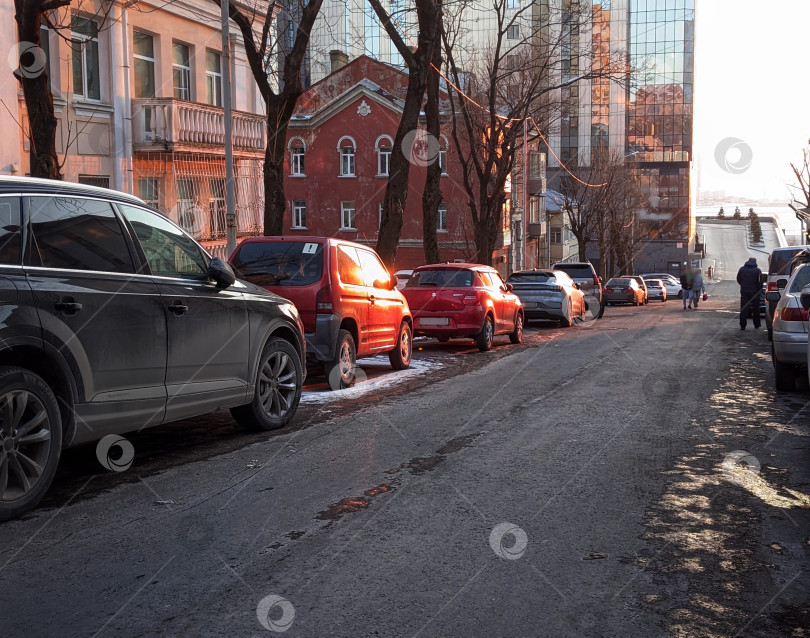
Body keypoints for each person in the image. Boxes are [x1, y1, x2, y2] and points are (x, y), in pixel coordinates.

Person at [736, 256, 762, 330]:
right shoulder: (757, 270)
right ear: (755, 262)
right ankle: (757, 324)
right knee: (756, 309)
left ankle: (743, 325)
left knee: (744, 309)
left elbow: (738, 279)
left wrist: (743, 285)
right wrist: (759, 289)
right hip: (755, 292)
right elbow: (759, 282)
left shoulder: (742, 269)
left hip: (744, 292)